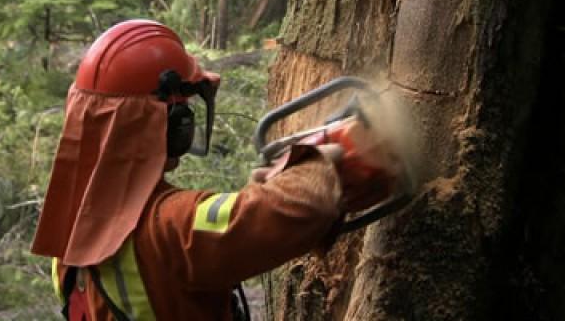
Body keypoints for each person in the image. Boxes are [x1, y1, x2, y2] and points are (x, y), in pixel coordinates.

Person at [31, 19, 399, 321]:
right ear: (171, 125)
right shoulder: (170, 227)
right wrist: (332, 157)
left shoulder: (67, 235)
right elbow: (291, 210)